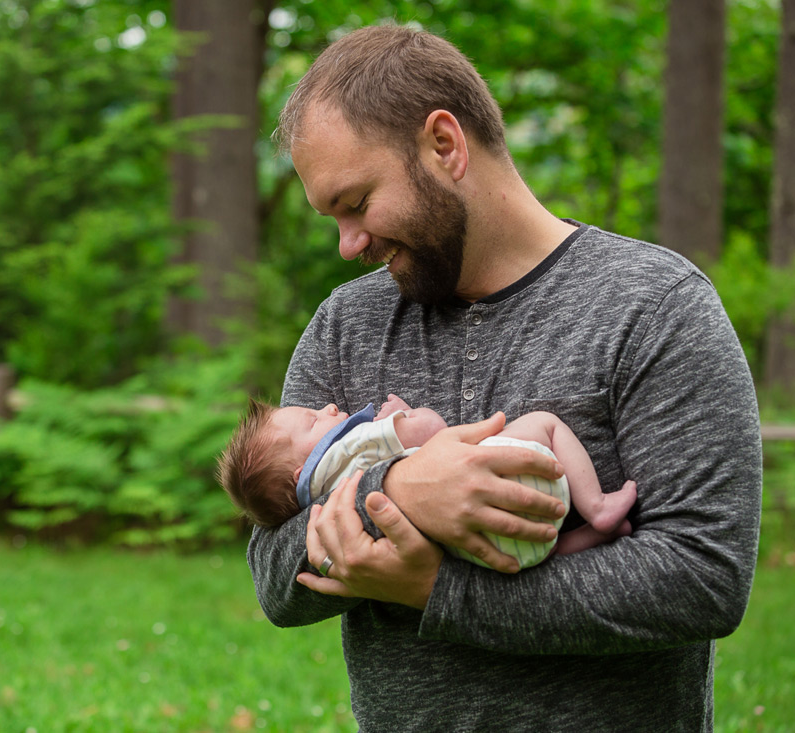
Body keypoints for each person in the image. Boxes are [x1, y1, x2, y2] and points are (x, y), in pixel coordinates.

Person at [247, 24, 762, 732]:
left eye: (357, 202)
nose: (349, 244)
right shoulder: (347, 325)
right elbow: (275, 574)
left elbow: (703, 577)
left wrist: (436, 589)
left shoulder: (655, 306)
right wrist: (395, 490)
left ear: (444, 145)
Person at [219, 393, 635, 569]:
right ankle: (596, 508)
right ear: (301, 470)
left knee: (534, 556)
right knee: (544, 423)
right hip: (519, 473)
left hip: (496, 549)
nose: (327, 406)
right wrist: (402, 413)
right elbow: (430, 430)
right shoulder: (351, 448)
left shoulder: (327, 508)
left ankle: (589, 540)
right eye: (313, 419)